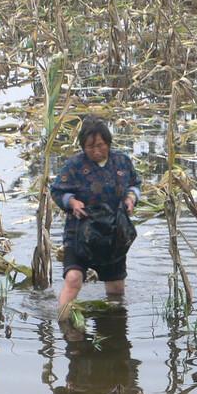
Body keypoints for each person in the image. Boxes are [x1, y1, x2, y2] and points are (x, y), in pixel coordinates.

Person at [50, 115, 142, 311]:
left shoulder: (122, 162)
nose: (96, 151)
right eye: (90, 147)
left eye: (100, 145)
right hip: (81, 230)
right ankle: (64, 320)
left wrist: (131, 198)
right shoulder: (74, 165)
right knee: (74, 278)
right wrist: (72, 202)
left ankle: (113, 327)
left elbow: (135, 184)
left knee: (116, 289)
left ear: (108, 143)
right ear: (83, 147)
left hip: (113, 232)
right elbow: (57, 190)